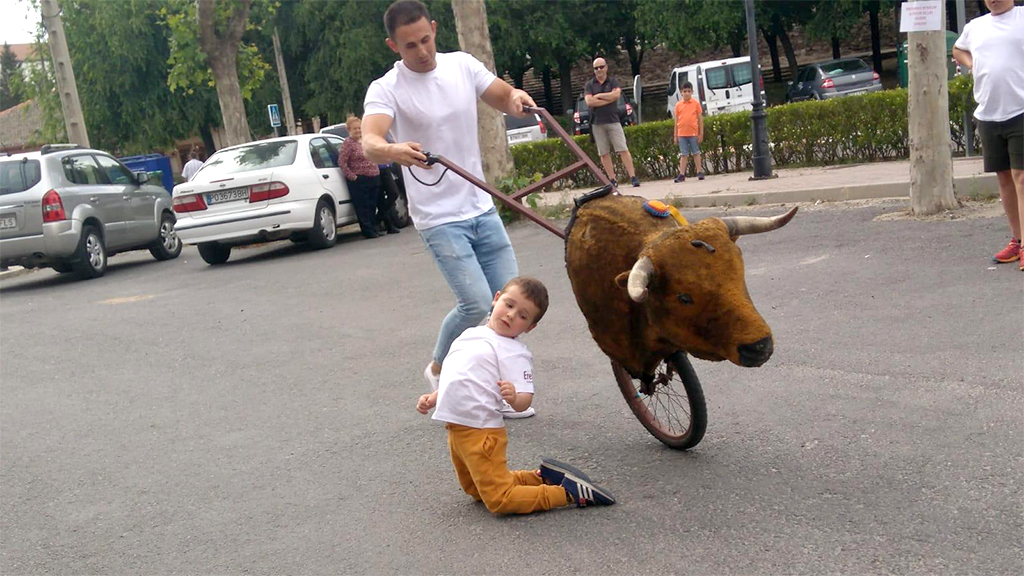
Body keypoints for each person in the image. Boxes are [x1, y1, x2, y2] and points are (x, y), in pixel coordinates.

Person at [362, 0, 540, 417]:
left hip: (480, 205)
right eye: (410, 46)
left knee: (514, 307)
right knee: (479, 303)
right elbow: (370, 140)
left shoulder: (461, 64)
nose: (422, 51)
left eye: (426, 39)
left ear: (435, 29)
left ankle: (506, 391)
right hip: (438, 218)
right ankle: (439, 369)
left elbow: (500, 94)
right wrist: (392, 149)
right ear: (393, 46)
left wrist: (515, 98)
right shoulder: (386, 88)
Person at [415, 277, 616, 514]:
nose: (511, 315)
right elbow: (460, 377)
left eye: (522, 316)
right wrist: (436, 397)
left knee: (500, 500)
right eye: (509, 305)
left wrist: (513, 398)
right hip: (456, 430)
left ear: (529, 327)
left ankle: (568, 493)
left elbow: (525, 401)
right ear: (496, 298)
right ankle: (541, 478)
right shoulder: (471, 333)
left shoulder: (513, 352)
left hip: (481, 433)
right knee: (474, 490)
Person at [953, 0, 1024, 270]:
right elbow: (957, 49)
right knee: (1004, 177)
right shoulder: (975, 27)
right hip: (989, 113)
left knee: (1021, 177)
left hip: (1020, 110)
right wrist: (973, 64)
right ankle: (1017, 240)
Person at [584, 57, 640, 188]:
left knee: (622, 149)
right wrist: (608, 98)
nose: (599, 70)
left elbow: (616, 95)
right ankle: (612, 179)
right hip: (597, 122)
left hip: (613, 120)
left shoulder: (613, 81)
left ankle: (633, 176)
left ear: (606, 67)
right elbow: (589, 102)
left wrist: (598, 96)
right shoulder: (589, 84)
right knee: (603, 152)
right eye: (596, 68)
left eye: (601, 67)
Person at [339, 116, 383, 239]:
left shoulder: (365, 140)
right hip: (360, 179)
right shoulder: (348, 143)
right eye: (355, 129)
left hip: (373, 176)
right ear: (349, 130)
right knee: (363, 207)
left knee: (372, 205)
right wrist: (353, 177)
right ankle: (368, 230)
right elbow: (342, 162)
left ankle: (374, 227)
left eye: (359, 128)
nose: (358, 131)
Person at [673, 82, 705, 183]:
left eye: (689, 91)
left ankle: (699, 171)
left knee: (696, 152)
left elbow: (700, 119)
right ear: (681, 93)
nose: (687, 93)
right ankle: (682, 174)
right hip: (682, 133)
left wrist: (701, 133)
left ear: (692, 92)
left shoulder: (696, 104)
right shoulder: (678, 105)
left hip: (693, 133)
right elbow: (676, 120)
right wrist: (675, 135)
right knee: (684, 154)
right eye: (684, 91)